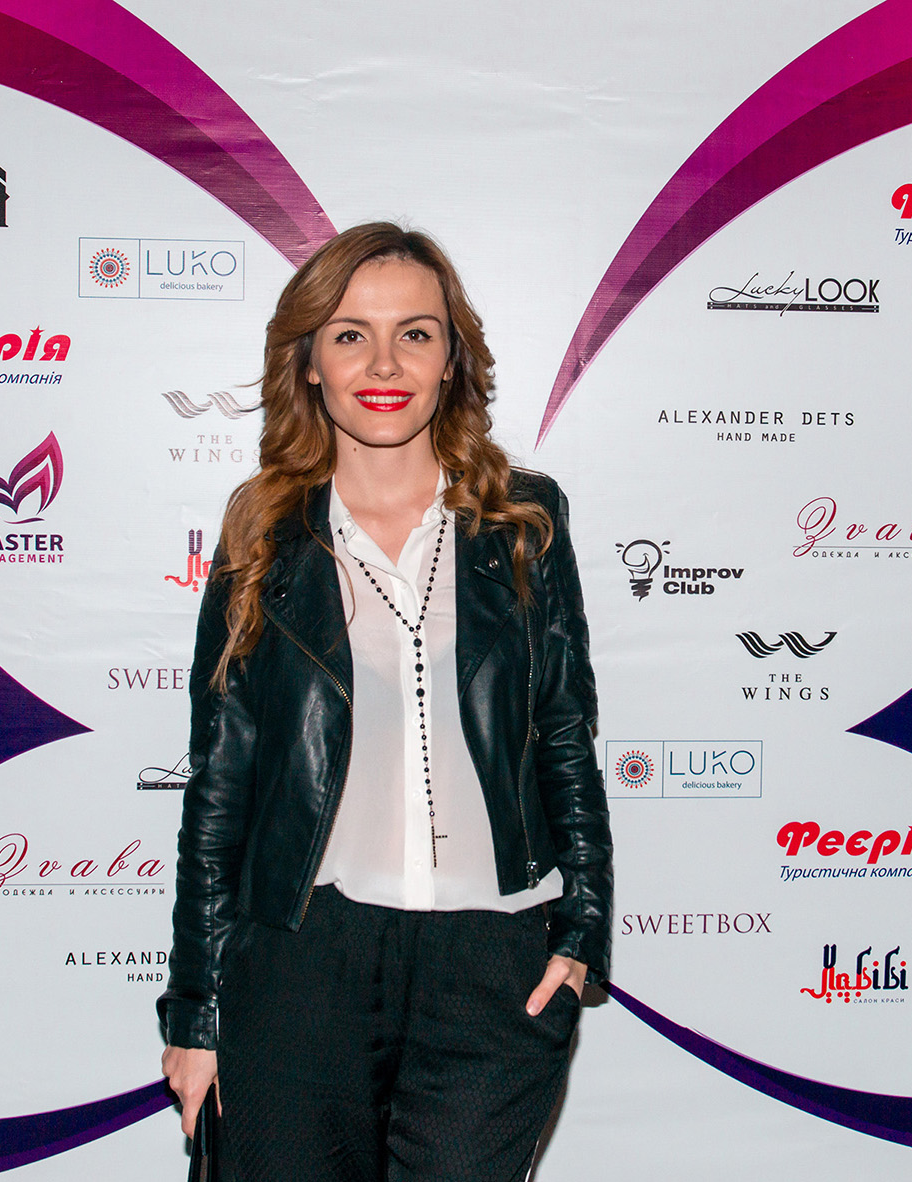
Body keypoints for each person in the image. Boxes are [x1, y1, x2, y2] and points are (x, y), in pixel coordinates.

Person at [158, 222, 612, 1182]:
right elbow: (221, 786)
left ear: (452, 360)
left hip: (493, 958)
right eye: (349, 334)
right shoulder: (263, 537)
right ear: (309, 363)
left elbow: (565, 733)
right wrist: (197, 1013)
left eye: (415, 333)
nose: (383, 363)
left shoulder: (524, 521)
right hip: (303, 953)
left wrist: (579, 931)